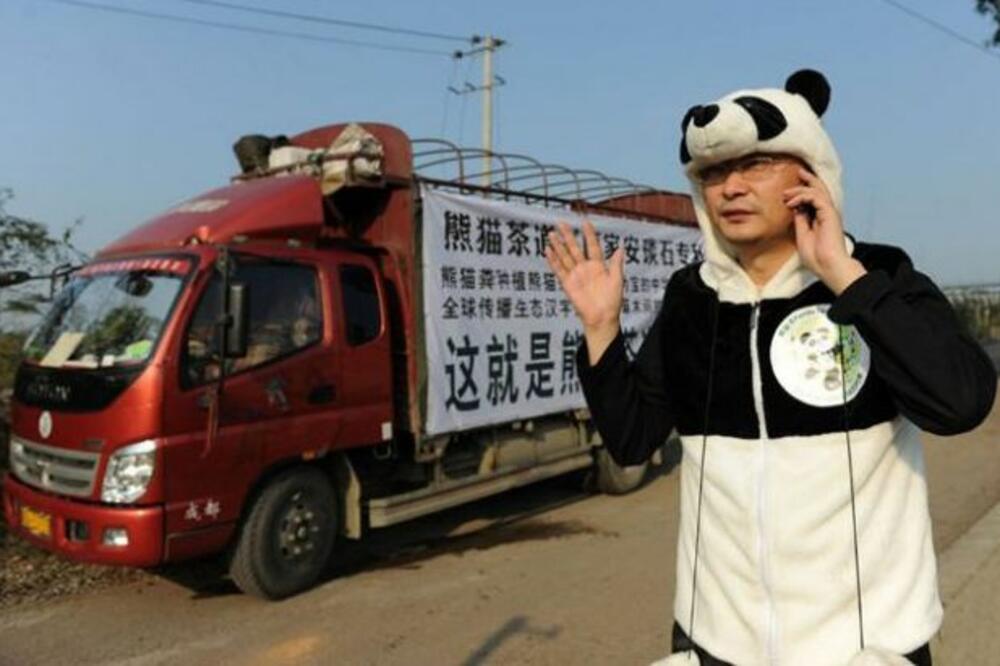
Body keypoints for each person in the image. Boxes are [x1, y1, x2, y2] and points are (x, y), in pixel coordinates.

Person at [545, 69, 996, 666]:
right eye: (712, 172)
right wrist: (602, 329)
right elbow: (632, 440)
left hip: (865, 646)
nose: (730, 187)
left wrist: (843, 277)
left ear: (810, 172)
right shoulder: (692, 298)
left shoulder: (879, 275)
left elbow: (961, 403)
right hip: (718, 641)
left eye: (755, 165)